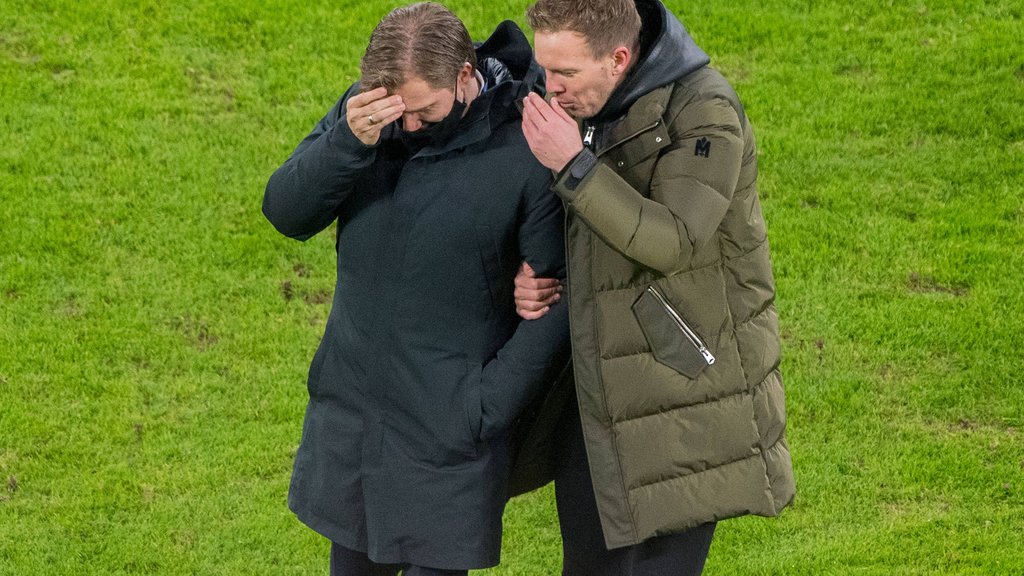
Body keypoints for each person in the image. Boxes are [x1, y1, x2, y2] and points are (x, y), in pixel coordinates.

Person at [262, 3, 570, 574]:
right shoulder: (368, 119)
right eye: (396, 110)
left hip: (447, 444)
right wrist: (347, 143)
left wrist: (483, 406)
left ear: (463, 76)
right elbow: (285, 211)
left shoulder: (528, 144)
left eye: (423, 111)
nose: (406, 127)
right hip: (353, 422)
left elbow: (558, 297)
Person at [513, 0, 796, 573]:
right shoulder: (581, 101)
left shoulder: (705, 114)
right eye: (545, 69)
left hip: (680, 393)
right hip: (596, 391)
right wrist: (528, 274)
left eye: (565, 74)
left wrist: (573, 165)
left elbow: (674, 242)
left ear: (618, 57)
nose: (550, 88)